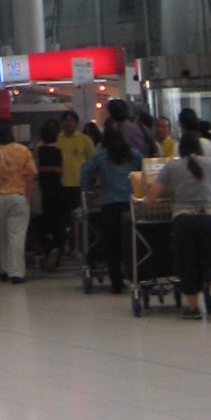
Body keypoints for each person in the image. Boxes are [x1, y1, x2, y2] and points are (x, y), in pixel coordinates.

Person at [144, 133, 211, 322]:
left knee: (187, 263)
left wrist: (146, 204)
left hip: (184, 221)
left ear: (180, 149)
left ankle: (192, 309)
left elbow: (153, 193)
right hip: (209, 219)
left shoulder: (172, 166)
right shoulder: (210, 164)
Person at [79, 126, 142, 294]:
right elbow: (147, 170)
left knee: (111, 245)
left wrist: (90, 189)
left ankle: (116, 283)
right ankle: (134, 277)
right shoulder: (133, 155)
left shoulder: (101, 156)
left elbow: (85, 173)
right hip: (130, 204)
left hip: (109, 204)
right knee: (130, 242)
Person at [0, 118, 36, 284]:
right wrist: (27, 198)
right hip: (18, 196)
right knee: (16, 236)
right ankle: (16, 272)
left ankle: (1, 268)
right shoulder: (22, 150)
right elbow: (30, 177)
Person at [33, 119, 66, 263]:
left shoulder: (37, 151)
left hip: (42, 191)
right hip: (57, 189)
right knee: (58, 223)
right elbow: (62, 172)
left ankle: (48, 248)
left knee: (39, 224)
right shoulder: (59, 152)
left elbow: (33, 171)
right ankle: (58, 251)